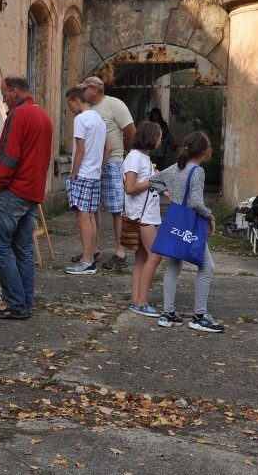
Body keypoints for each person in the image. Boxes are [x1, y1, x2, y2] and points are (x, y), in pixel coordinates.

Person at [0, 74, 53, 319]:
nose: (3, 100)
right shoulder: (43, 115)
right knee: (24, 249)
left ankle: (14, 303)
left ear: (15, 92)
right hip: (32, 193)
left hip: (13, 192)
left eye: (4, 94)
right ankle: (25, 302)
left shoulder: (18, 114)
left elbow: (8, 157)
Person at [149, 131, 224, 333]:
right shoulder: (197, 171)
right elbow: (195, 202)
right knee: (207, 267)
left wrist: (170, 196)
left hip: (175, 221)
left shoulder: (176, 168)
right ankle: (199, 316)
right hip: (190, 224)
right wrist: (209, 215)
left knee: (174, 263)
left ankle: (168, 314)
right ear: (206, 151)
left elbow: (154, 181)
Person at [75, 76, 136, 270]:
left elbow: (130, 131)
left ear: (94, 89)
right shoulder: (88, 109)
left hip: (111, 162)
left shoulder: (115, 105)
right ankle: (92, 251)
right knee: (92, 208)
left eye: (85, 89)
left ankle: (120, 252)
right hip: (92, 165)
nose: (82, 92)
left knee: (116, 208)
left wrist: (123, 151)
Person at [64, 87, 108, 275]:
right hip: (94, 173)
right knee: (89, 216)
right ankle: (89, 259)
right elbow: (108, 147)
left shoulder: (80, 119)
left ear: (76, 100)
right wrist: (100, 166)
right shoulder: (99, 119)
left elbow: (80, 150)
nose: (70, 108)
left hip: (83, 173)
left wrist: (73, 175)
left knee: (82, 217)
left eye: (69, 104)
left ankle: (87, 260)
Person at [123, 121, 163, 316]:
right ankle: (141, 301)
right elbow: (129, 188)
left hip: (146, 213)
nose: (160, 140)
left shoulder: (143, 158)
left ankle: (135, 300)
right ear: (150, 137)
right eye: (159, 136)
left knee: (142, 258)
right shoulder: (135, 158)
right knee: (155, 255)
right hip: (142, 215)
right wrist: (151, 181)